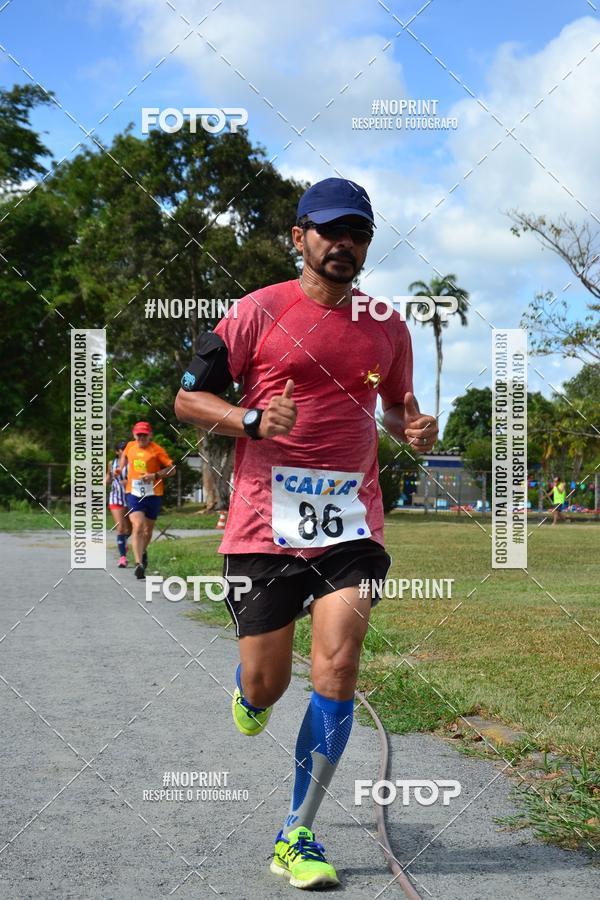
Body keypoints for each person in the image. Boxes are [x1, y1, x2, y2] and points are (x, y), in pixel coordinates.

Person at [175, 177, 438, 889]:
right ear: (300, 237)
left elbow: (394, 409)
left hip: (352, 523)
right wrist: (253, 420)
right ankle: (250, 693)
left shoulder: (387, 323)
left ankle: (298, 832)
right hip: (263, 525)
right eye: (329, 230)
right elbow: (188, 398)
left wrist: (409, 426)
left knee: (338, 668)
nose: (343, 243)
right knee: (268, 684)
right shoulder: (258, 313)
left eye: (357, 232)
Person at [119, 422, 175, 579]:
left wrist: (155, 476)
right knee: (137, 526)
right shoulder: (130, 446)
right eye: (139, 435)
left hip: (153, 494)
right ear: (134, 434)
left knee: (147, 531)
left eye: (144, 434)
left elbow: (172, 469)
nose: (141, 437)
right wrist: (119, 469)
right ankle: (139, 564)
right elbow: (124, 457)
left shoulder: (156, 450)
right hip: (134, 493)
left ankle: (143, 551)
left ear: (150, 435)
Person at [106, 438, 131, 567]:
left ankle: (123, 543)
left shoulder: (134, 463)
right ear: (117, 452)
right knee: (121, 528)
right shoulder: (112, 463)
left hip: (132, 497)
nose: (125, 451)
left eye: (127, 449)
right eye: (123, 449)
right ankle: (122, 557)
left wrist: (129, 482)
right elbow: (108, 478)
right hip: (116, 497)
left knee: (131, 529)